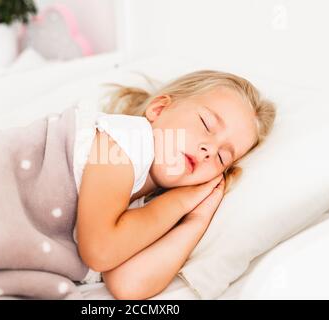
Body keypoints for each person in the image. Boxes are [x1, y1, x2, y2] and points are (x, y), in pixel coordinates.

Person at [73, 70, 276, 299]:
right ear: (159, 109)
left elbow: (129, 285)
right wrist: (179, 201)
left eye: (222, 157)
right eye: (206, 124)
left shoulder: (146, 208)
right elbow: (100, 251)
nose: (209, 149)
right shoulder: (121, 138)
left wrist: (196, 220)